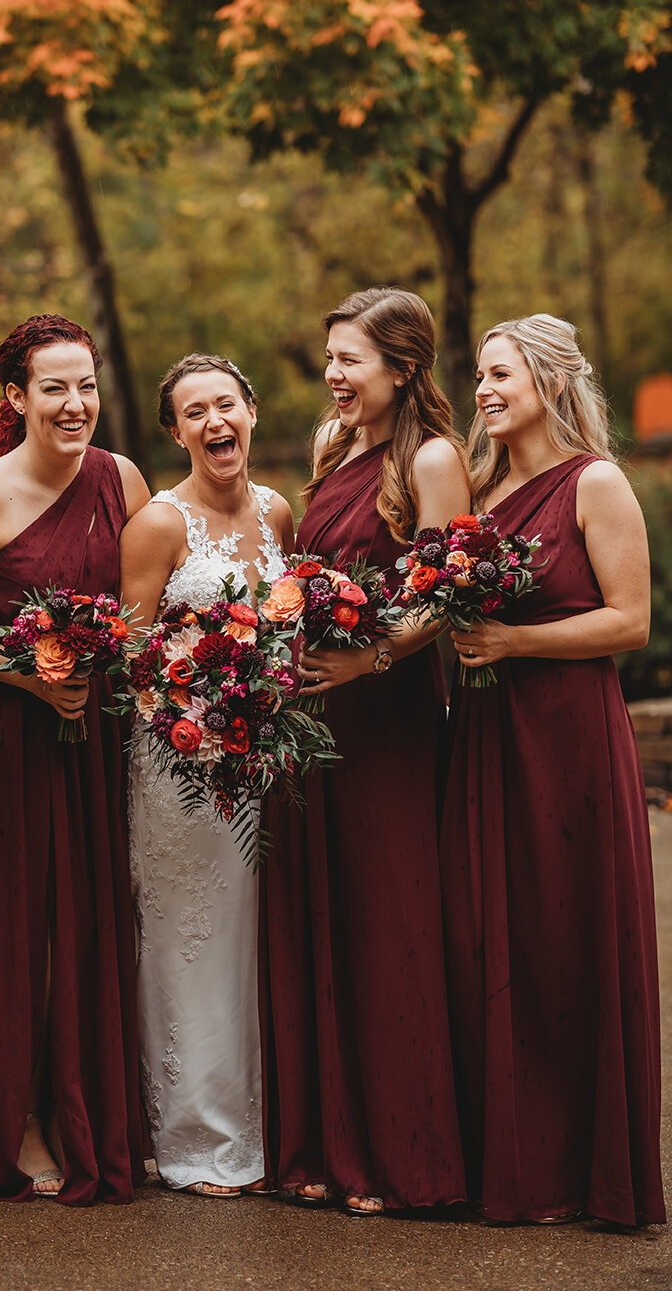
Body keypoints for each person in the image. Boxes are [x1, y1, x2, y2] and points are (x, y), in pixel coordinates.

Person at [440, 313, 665, 1227]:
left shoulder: (596, 483)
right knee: (494, 935)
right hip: (488, 732)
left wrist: (513, 640)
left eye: (501, 376)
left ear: (551, 380)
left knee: (568, 935)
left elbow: (631, 621)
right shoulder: (485, 489)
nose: (485, 392)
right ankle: (512, 1160)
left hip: (567, 735)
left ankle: (582, 1172)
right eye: (481, 378)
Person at [0, 313, 150, 1207]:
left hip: (94, 730)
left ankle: (77, 1103)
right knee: (16, 923)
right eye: (53, 387)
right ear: (16, 398)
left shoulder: (121, 479)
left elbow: (142, 602)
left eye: (86, 385)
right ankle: (10, 1118)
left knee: (86, 919)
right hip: (11, 731)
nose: (75, 404)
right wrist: (28, 675)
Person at [262, 286, 468, 1213]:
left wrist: (371, 658)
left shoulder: (432, 459)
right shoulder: (329, 445)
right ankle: (319, 1143)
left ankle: (401, 1153)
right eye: (332, 358)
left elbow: (448, 592)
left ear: (404, 367)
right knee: (322, 911)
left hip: (389, 718)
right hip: (314, 713)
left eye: (351, 361)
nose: (335, 376)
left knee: (389, 917)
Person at [120, 353, 295, 1199]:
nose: (214, 422)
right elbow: (132, 651)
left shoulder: (278, 511)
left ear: (251, 410)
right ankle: (195, 1137)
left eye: (227, 404)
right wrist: (196, 713)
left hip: (266, 759)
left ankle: (268, 1124)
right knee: (194, 938)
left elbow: (287, 635)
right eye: (195, 413)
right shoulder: (158, 524)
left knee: (260, 937)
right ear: (177, 431)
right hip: (179, 764)